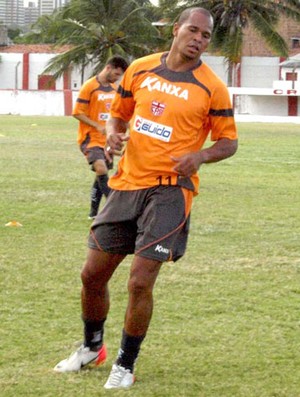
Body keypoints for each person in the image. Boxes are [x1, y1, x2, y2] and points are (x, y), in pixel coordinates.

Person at [54, 7, 238, 389]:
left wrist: (200, 156)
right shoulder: (139, 68)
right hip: (126, 184)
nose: (198, 40)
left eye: (205, 36)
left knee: (139, 282)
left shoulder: (212, 87)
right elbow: (117, 115)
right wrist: (114, 133)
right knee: (92, 275)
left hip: (171, 190)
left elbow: (229, 141)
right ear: (176, 29)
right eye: (193, 31)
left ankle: (125, 362)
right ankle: (92, 347)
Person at [73, 55, 129, 219]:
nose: (117, 78)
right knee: (101, 169)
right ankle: (114, 209)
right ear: (108, 67)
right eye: (116, 74)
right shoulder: (90, 86)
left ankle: (92, 213)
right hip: (90, 138)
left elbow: (117, 114)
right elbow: (77, 112)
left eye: (120, 76)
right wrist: (97, 125)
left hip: (107, 141)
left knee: (100, 175)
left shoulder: (114, 90)